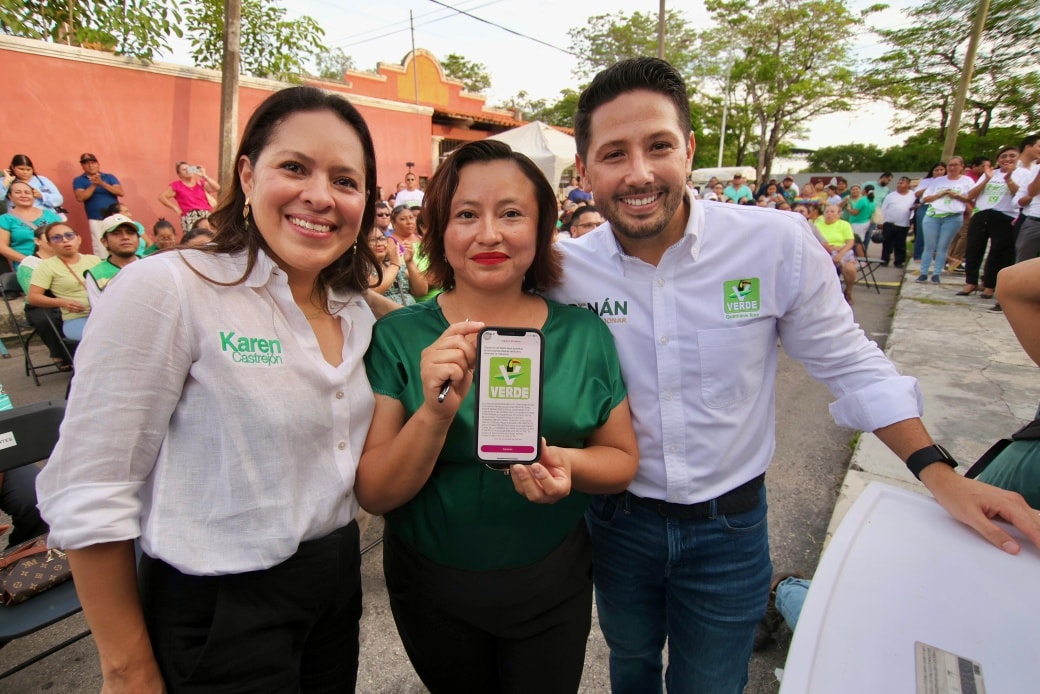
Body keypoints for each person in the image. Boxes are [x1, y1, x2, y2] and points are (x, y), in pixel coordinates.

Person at [546, 56, 1040, 694]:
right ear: (585, 171)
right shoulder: (564, 271)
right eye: (614, 153)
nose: (639, 172)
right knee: (631, 659)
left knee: (711, 684)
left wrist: (939, 474)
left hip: (729, 529)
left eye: (658, 146)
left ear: (689, 150)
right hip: (616, 523)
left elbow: (850, 361)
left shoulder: (774, 243)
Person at [35, 86, 383, 692]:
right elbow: (91, 487)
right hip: (220, 608)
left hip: (334, 587)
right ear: (247, 175)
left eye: (345, 181)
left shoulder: (355, 308)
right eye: (294, 167)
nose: (320, 196)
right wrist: (126, 669)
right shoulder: (169, 288)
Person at [357, 139, 638, 693]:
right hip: (431, 584)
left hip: (552, 578)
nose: (489, 234)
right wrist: (434, 415)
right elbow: (375, 493)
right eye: (466, 215)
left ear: (542, 228)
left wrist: (565, 465)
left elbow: (622, 461)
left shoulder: (584, 334)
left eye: (511, 213)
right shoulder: (398, 337)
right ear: (439, 230)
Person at [959, 146, 1020, 299]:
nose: (1007, 159)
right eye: (1003, 156)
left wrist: (1009, 178)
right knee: (973, 249)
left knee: (997, 253)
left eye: (1012, 156)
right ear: (997, 160)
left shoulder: (1023, 173)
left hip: (1005, 215)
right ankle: (971, 282)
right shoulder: (991, 173)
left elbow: (1019, 196)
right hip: (982, 213)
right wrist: (986, 178)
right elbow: (970, 195)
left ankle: (989, 285)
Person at [27, 221, 100, 341]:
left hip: (102, 313)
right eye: (57, 238)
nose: (65, 240)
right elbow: (33, 297)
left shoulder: (94, 260)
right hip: (78, 318)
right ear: (49, 244)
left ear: (79, 239)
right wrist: (63, 302)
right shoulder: (46, 266)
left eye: (69, 235)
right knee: (100, 337)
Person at [16, 223, 72, 370]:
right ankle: (60, 354)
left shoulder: (68, 258)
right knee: (48, 319)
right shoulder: (29, 264)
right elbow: (31, 293)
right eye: (52, 237)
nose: (59, 240)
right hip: (41, 303)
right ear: (38, 241)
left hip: (69, 298)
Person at [917, 156, 974, 284]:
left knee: (943, 246)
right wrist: (940, 194)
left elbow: (971, 198)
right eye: (950, 165)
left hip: (953, 216)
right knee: (929, 245)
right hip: (933, 215)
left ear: (961, 166)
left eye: (955, 165)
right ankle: (923, 273)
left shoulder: (967, 181)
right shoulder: (938, 181)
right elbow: (924, 199)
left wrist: (957, 196)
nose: (952, 168)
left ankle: (936, 274)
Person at [0, 179, 63, 269]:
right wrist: (29, 261)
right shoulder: (5, 219)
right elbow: (2, 247)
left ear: (33, 195)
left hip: (57, 263)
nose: (23, 195)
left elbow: (65, 237)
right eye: (18, 192)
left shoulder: (50, 215)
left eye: (27, 192)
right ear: (10, 196)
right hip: (28, 266)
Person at [73, 153, 125, 257]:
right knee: (100, 248)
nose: (90, 165)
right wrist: (94, 184)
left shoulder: (109, 177)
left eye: (93, 162)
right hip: (96, 218)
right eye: (86, 163)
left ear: (98, 164)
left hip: (115, 216)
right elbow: (80, 197)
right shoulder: (79, 180)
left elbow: (120, 192)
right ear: (82, 166)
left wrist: (102, 183)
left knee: (120, 241)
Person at [84, 214, 142, 302]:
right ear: (104, 242)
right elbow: (98, 308)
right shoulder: (96, 274)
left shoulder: (151, 264)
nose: (125, 237)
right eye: (116, 233)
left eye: (130, 232)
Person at [366, 225, 427, 306]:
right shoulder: (362, 267)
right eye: (372, 240)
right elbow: (373, 292)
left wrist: (410, 262)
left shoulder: (394, 264)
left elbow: (422, 291)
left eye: (382, 239)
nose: (379, 244)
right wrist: (394, 265)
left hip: (410, 312)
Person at [158, 161, 220, 233]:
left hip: (205, 215)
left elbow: (217, 188)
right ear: (179, 174)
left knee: (209, 235)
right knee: (192, 236)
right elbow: (162, 197)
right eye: (184, 170)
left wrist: (204, 175)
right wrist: (175, 208)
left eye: (189, 168)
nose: (187, 171)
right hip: (189, 216)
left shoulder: (200, 183)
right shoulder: (177, 185)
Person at [816, 203, 859, 304]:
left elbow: (850, 242)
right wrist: (829, 248)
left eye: (832, 212)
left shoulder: (844, 225)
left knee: (850, 269)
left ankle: (848, 292)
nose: (829, 214)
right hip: (823, 251)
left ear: (839, 214)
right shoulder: (817, 225)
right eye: (827, 212)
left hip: (842, 251)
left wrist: (840, 254)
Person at [912, 162, 947, 265]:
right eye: (936, 170)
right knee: (922, 231)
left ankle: (935, 255)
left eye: (941, 170)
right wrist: (931, 185)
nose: (939, 172)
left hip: (941, 207)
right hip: (926, 206)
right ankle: (918, 255)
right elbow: (917, 194)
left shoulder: (948, 181)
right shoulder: (926, 181)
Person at [879, 176, 916, 268]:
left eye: (902, 183)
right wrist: (881, 221)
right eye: (898, 183)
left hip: (904, 224)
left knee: (900, 244)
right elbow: (883, 209)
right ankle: (884, 260)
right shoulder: (891, 195)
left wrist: (912, 222)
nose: (899, 185)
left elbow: (914, 209)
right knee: (887, 243)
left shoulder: (913, 195)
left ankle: (899, 261)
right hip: (889, 223)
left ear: (908, 185)